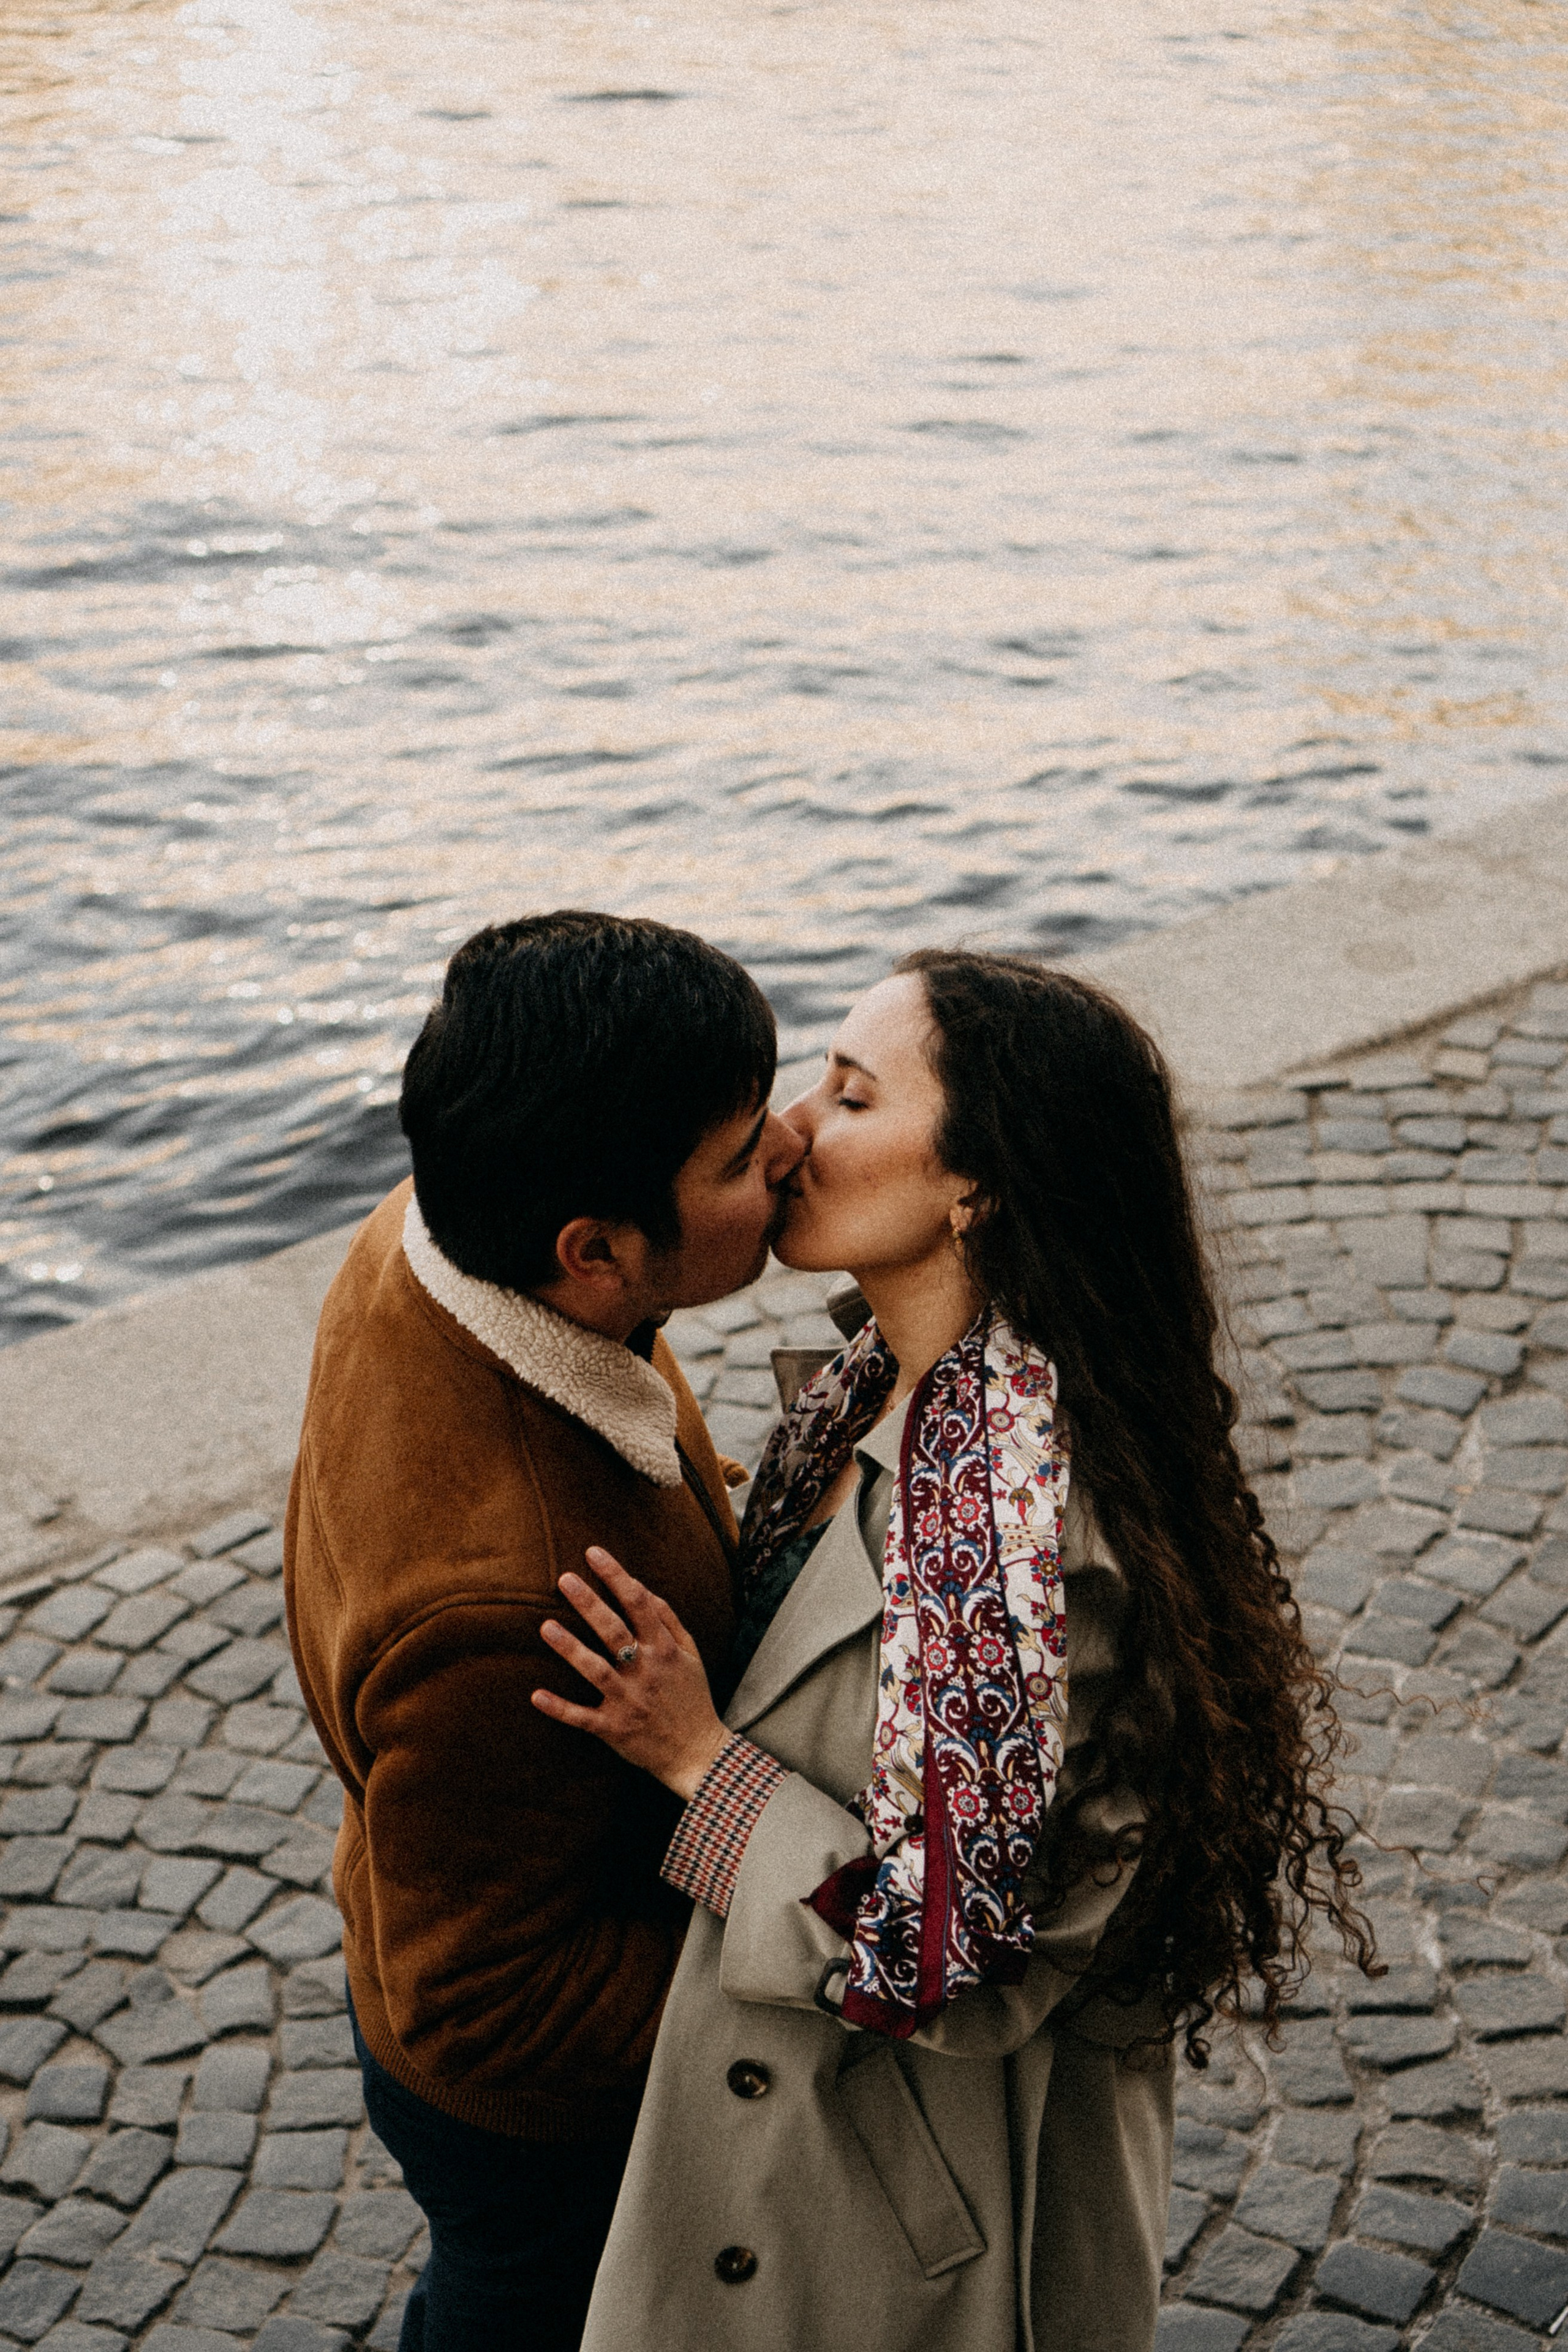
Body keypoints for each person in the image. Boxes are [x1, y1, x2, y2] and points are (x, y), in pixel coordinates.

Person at [534, 948, 1376, 2352]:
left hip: (900, 2220)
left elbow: (946, 1951)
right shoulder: (886, 1386)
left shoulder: (999, 1508)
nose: (795, 1129)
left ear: (974, 1183)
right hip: (821, 2149)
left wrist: (696, 1757)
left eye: (852, 1098)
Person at [283, 911, 804, 2352]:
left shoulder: (435, 1231)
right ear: (593, 1253)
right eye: (736, 1152)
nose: (789, 1152)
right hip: (535, 2134)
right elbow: (485, 2006)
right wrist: (784, 1994)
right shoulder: (508, 1600)